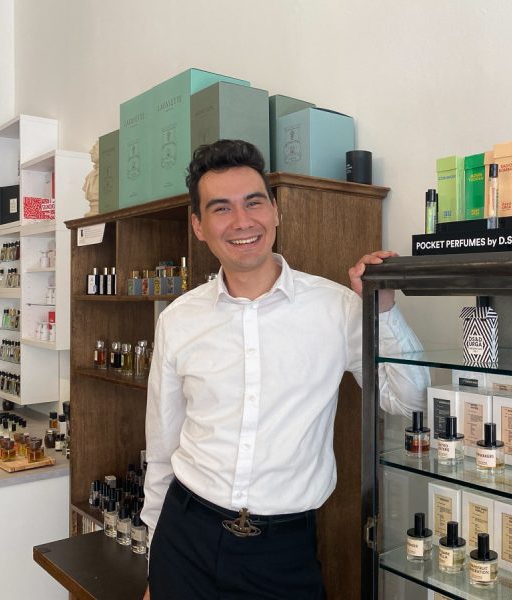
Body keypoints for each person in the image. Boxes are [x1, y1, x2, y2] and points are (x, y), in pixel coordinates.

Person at [141, 139, 429, 599]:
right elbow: (161, 450)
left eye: (254, 202)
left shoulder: (336, 308)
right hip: (185, 537)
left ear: (275, 210)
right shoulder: (178, 320)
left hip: (283, 553)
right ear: (198, 225)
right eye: (221, 209)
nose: (242, 221)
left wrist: (384, 310)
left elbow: (410, 398)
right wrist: (157, 564)